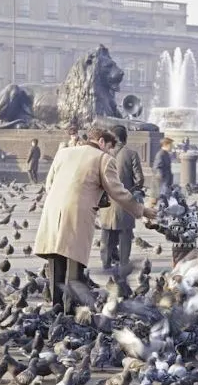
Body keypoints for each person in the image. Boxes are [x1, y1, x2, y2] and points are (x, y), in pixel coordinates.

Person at [34, 127, 157, 312]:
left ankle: (56, 308)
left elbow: (49, 184)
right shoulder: (103, 159)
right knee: (74, 263)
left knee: (56, 259)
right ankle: (68, 313)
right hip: (77, 213)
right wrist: (142, 210)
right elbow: (118, 193)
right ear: (101, 141)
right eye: (108, 147)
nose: (109, 151)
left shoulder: (64, 152)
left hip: (53, 211)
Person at [98, 125, 144, 269]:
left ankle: (105, 263)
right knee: (125, 234)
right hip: (125, 201)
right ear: (125, 138)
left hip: (106, 202)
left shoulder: (102, 154)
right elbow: (139, 180)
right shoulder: (131, 154)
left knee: (106, 233)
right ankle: (124, 263)